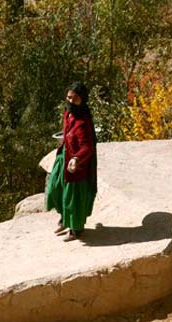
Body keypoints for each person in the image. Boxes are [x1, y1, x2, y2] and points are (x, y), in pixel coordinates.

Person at [45, 82, 98, 242]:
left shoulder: (83, 122)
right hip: (64, 158)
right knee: (55, 189)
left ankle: (76, 229)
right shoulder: (68, 114)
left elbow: (87, 146)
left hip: (77, 165)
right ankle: (64, 219)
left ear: (82, 100)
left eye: (74, 99)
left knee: (73, 198)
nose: (70, 101)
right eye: (68, 97)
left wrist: (76, 159)